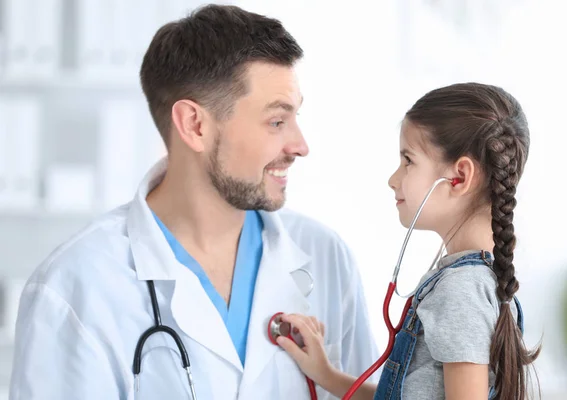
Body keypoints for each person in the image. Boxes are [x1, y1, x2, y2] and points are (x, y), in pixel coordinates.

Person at [9, 4, 379, 399]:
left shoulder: (325, 256)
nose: (300, 145)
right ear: (194, 125)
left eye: (295, 117)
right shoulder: (76, 286)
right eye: (276, 121)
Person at [276, 82, 541, 400]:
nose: (393, 179)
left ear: (459, 176)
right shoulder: (472, 282)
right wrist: (326, 374)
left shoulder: (461, 289)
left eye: (408, 161)